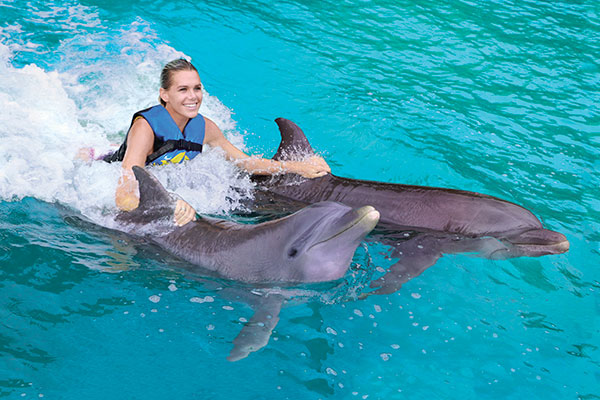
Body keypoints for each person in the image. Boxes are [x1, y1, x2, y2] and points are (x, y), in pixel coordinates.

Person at [105, 59, 330, 226]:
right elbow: (125, 190)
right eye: (182, 89)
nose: (193, 97)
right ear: (164, 94)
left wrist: (298, 167)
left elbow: (244, 162)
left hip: (160, 169)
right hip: (107, 168)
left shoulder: (205, 128)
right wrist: (166, 206)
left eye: (197, 88)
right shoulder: (146, 127)